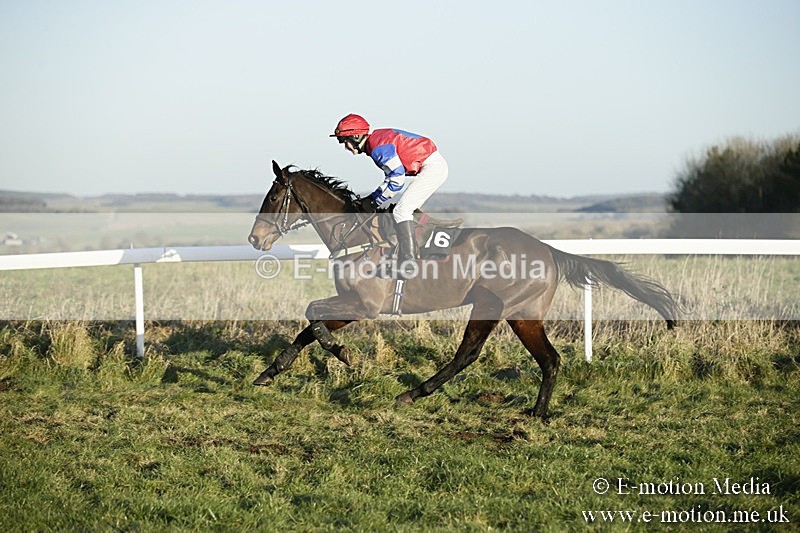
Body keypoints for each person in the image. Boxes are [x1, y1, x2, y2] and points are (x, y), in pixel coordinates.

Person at [330, 113, 448, 267]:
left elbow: (397, 180)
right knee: (402, 210)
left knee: (401, 211)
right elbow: (391, 179)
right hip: (431, 166)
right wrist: (372, 199)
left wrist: (373, 202)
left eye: (344, 141)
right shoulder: (376, 142)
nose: (345, 146)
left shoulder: (378, 148)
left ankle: (409, 262)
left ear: (356, 137)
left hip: (432, 168)